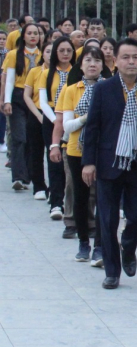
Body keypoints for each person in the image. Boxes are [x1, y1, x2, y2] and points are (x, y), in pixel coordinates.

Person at [80, 39, 137, 289]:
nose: (131, 62)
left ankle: (128, 246)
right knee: (107, 220)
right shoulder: (104, 89)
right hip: (109, 163)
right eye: (126, 57)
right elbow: (93, 128)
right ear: (115, 61)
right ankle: (111, 271)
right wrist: (88, 163)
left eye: (136, 57)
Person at [52, 47, 105, 265]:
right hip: (76, 150)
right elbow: (67, 126)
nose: (92, 64)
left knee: (103, 199)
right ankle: (84, 242)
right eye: (88, 60)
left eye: (97, 60)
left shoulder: (110, 88)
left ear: (103, 65)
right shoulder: (71, 89)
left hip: (104, 150)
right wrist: (87, 117)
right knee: (81, 199)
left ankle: (100, 246)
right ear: (81, 65)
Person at [37, 38, 76, 218]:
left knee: (71, 160)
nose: (66, 54)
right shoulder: (46, 73)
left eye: (69, 50)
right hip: (52, 117)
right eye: (62, 50)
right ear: (55, 53)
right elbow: (43, 102)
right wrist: (55, 121)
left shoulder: (77, 72)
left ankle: (73, 204)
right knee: (54, 158)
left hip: (72, 117)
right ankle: (56, 203)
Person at [3, 22, 43, 192]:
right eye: (29, 33)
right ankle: (18, 176)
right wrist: (7, 101)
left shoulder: (44, 55)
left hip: (36, 98)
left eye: (36, 33)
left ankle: (28, 175)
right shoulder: (14, 54)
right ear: (23, 36)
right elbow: (10, 79)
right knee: (19, 137)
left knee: (31, 138)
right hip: (18, 97)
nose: (33, 36)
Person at [22, 41, 53, 201]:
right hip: (36, 113)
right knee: (36, 152)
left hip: (56, 114)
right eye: (47, 51)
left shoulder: (65, 72)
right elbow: (27, 95)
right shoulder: (35, 71)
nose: (50, 54)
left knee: (53, 152)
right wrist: (38, 115)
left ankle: (54, 189)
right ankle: (39, 186)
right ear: (43, 54)